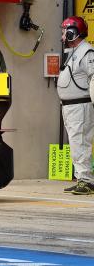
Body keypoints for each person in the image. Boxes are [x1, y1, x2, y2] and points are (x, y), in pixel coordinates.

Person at [55, 16, 94, 195]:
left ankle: (86, 180)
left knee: (80, 142)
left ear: (73, 33)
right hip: (70, 107)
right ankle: (82, 178)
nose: (63, 36)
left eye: (65, 32)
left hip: (80, 106)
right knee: (76, 143)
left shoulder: (87, 52)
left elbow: (93, 78)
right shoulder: (75, 52)